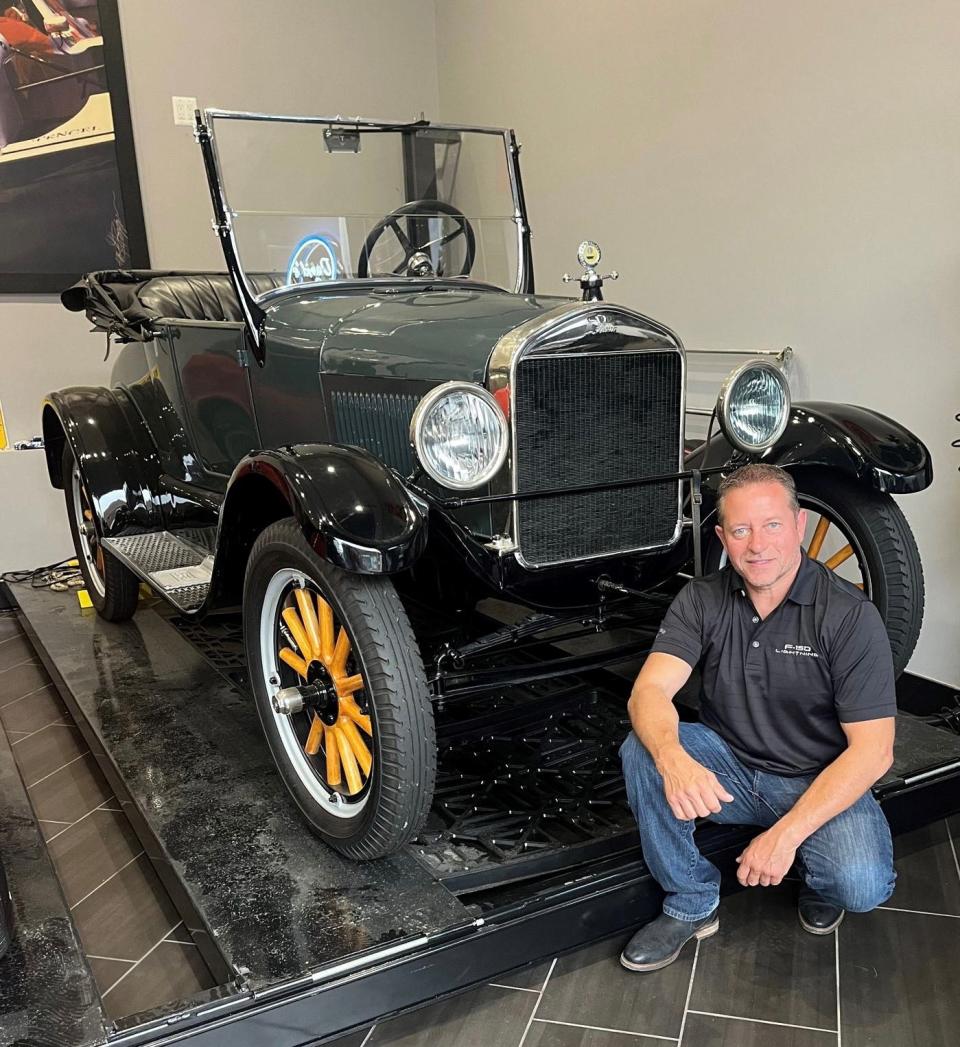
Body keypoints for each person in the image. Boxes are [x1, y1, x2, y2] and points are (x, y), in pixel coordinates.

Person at [619, 463, 897, 972]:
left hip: (812, 779)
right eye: (742, 530)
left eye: (772, 525)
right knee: (642, 748)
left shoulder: (849, 616)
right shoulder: (701, 598)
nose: (758, 544)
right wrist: (674, 759)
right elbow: (649, 691)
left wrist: (784, 837)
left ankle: (818, 877)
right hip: (731, 767)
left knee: (861, 885)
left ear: (797, 527)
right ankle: (690, 901)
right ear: (723, 536)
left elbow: (874, 752)